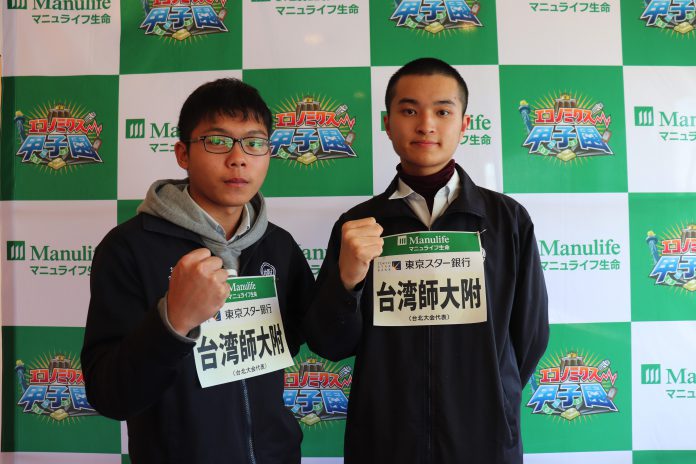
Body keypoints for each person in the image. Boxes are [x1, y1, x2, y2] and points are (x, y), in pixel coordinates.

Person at [304, 58, 549, 463]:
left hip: (483, 441)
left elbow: (530, 335)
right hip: (385, 442)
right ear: (387, 124)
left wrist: (489, 398)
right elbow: (329, 344)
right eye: (409, 111)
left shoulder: (507, 220)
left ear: (464, 124)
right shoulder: (357, 225)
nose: (426, 125)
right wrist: (347, 283)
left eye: (442, 111)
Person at [81, 78, 314, 464]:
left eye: (254, 143)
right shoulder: (128, 247)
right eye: (217, 141)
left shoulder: (278, 245)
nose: (238, 158)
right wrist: (173, 321)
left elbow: (321, 337)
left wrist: (348, 281)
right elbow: (110, 396)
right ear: (182, 154)